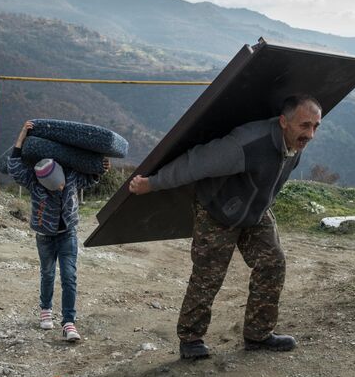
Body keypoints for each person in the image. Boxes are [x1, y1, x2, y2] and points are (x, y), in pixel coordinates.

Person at [129, 95, 322, 359]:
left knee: (273, 263)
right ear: (283, 122)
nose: (310, 134)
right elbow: (195, 163)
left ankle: (258, 334)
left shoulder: (295, 147)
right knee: (208, 276)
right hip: (216, 210)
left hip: (255, 212)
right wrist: (151, 184)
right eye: (304, 125)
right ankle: (191, 339)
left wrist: (259, 208)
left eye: (315, 126)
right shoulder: (247, 144)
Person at [8, 120, 110, 342]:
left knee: (69, 277)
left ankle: (69, 323)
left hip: (68, 234)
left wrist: (100, 169)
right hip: (44, 236)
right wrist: (22, 135)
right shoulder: (33, 180)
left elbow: (90, 179)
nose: (61, 188)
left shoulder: (71, 175)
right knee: (47, 273)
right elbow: (14, 166)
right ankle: (45, 309)